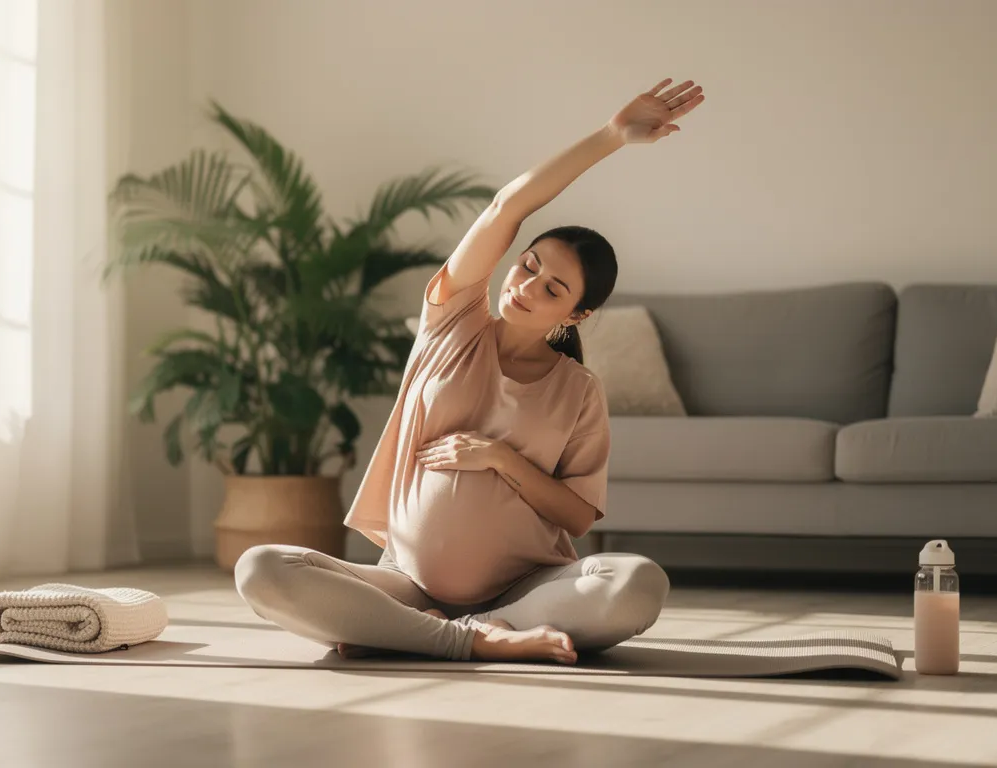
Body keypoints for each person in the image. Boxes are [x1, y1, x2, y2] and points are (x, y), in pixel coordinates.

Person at [235, 78, 706, 664]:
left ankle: (445, 630)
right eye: (528, 265)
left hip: (526, 590)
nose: (526, 286)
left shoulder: (579, 390)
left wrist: (500, 459)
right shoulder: (451, 324)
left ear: (577, 314)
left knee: (639, 584)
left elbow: (577, 516)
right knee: (262, 569)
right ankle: (470, 640)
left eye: (552, 287)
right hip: (407, 582)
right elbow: (505, 209)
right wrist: (612, 136)